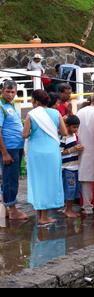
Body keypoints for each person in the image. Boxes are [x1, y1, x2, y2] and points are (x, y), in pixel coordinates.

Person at [23, 89, 67, 225]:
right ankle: (44, 216)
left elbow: (24, 135)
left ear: (35, 101)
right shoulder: (56, 113)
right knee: (49, 182)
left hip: (36, 152)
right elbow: (64, 132)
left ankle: (40, 215)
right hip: (52, 152)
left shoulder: (31, 115)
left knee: (38, 181)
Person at [0, 80, 28, 220]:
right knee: (10, 179)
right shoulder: (1, 106)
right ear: (2, 90)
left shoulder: (10, 105)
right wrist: (4, 153)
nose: (10, 94)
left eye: (13, 92)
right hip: (9, 149)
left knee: (10, 178)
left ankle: (5, 207)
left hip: (16, 147)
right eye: (8, 91)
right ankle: (12, 210)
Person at [60, 115, 83, 218]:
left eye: (77, 127)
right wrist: (72, 149)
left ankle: (67, 208)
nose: (76, 129)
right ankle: (68, 210)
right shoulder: (63, 137)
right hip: (67, 168)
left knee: (74, 189)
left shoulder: (74, 135)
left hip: (75, 166)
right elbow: (59, 152)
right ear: (67, 126)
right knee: (70, 189)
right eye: (74, 127)